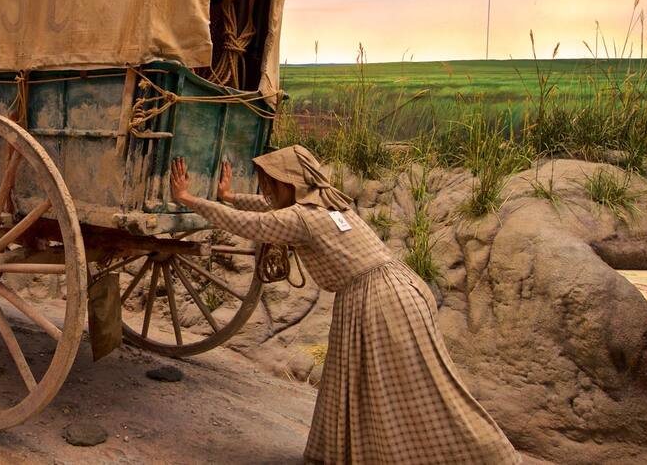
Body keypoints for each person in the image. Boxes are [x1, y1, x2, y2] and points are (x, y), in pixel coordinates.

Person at [169, 146, 519, 464]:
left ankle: (485, 454)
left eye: (272, 184)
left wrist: (189, 198)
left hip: (381, 299)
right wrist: (230, 196)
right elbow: (271, 211)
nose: (269, 191)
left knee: (420, 386)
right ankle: (356, 452)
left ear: (290, 182)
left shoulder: (303, 218)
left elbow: (255, 224)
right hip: (398, 288)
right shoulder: (330, 204)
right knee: (367, 378)